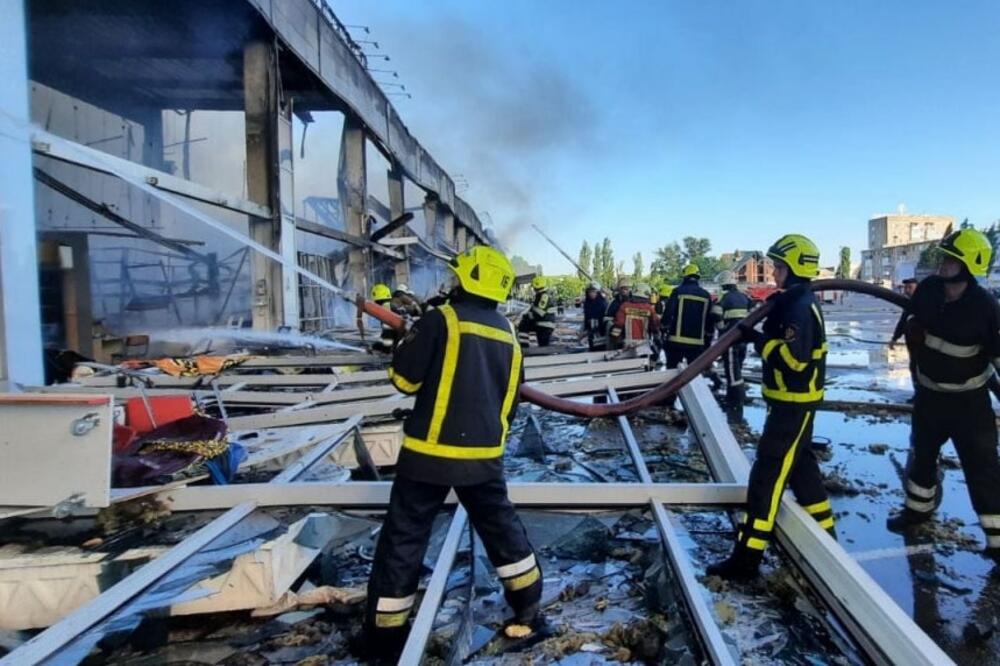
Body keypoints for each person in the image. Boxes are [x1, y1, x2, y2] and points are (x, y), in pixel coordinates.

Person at [362, 246, 543, 662]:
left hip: (427, 456)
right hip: (485, 457)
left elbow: (404, 382)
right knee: (503, 531)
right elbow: (512, 400)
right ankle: (529, 608)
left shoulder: (441, 319)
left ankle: (385, 638)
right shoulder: (509, 333)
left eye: (456, 276)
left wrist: (403, 340)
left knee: (405, 539)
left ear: (466, 281)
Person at [707, 234, 833, 581]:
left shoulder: (798, 307)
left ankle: (747, 559)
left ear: (793, 268)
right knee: (802, 469)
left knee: (766, 477)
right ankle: (828, 541)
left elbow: (794, 360)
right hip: (789, 402)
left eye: (778, 267)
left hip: (793, 404)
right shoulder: (793, 300)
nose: (774, 272)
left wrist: (759, 340)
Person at [885, 228, 1000, 562]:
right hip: (930, 398)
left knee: (983, 471)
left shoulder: (985, 307)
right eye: (945, 256)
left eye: (952, 259)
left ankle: (997, 540)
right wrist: (908, 332)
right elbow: (911, 315)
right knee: (922, 459)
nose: (944, 263)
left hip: (969, 404)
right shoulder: (930, 289)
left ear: (970, 265)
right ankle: (917, 512)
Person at [710, 271, 752, 406]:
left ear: (723, 284)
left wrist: (722, 329)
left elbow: (715, 314)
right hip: (743, 338)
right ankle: (735, 395)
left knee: (732, 370)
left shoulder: (725, 298)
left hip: (730, 339)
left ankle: (736, 398)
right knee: (738, 367)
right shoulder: (744, 297)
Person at [661, 264, 715, 370]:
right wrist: (708, 338)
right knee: (694, 373)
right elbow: (710, 319)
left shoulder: (677, 291)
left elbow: (668, 312)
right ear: (697, 277)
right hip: (697, 343)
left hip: (676, 341)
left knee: (672, 371)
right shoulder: (706, 295)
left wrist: (663, 327)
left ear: (685, 277)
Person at [610, 283, 660, 348]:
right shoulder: (649, 308)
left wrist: (614, 339)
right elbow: (655, 325)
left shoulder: (625, 306)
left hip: (627, 343)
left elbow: (619, 324)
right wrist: (657, 336)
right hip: (644, 343)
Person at [517, 276, 556, 347]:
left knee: (523, 325)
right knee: (523, 325)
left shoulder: (544, 296)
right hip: (542, 323)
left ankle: (524, 346)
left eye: (533, 287)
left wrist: (527, 316)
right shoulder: (541, 295)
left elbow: (539, 313)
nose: (533, 289)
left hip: (544, 324)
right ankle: (524, 345)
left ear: (536, 286)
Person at [603, 277, 632, 349]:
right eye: (622, 288)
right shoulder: (614, 302)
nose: (624, 291)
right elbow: (606, 318)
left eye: (626, 288)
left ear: (629, 289)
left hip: (631, 329)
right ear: (619, 289)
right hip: (617, 328)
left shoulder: (634, 301)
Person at [370, 283, 399, 354]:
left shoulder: (386, 309)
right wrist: (376, 346)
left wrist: (383, 349)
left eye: (375, 301)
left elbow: (388, 333)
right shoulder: (392, 305)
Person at [582, 282, 608, 351]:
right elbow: (586, 318)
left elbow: (605, 319)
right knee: (592, 349)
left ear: (598, 292)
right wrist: (585, 330)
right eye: (590, 292)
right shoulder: (587, 304)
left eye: (593, 291)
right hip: (591, 333)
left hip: (601, 332)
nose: (591, 294)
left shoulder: (603, 304)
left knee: (600, 350)